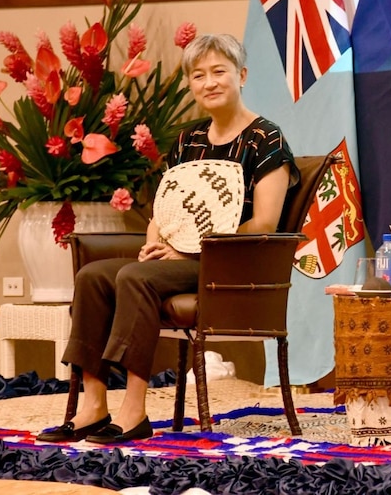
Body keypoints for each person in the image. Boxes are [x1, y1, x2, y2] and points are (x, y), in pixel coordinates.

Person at [38, 33, 300, 444]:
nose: (209, 82)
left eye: (219, 72)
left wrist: (187, 249)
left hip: (231, 265)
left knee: (134, 279)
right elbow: (167, 206)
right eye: (198, 75)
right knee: (93, 276)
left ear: (242, 75)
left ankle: (134, 410)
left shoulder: (266, 140)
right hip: (180, 259)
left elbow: (264, 223)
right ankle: (92, 405)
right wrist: (154, 241)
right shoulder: (188, 140)